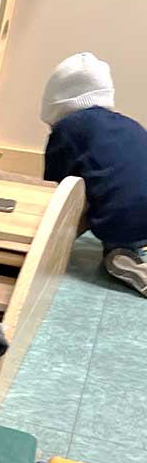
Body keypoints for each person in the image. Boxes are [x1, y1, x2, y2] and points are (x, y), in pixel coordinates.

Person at [42, 52, 147, 296]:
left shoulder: (67, 131)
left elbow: (55, 192)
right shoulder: (128, 124)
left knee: (122, 223)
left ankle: (124, 256)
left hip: (128, 217)